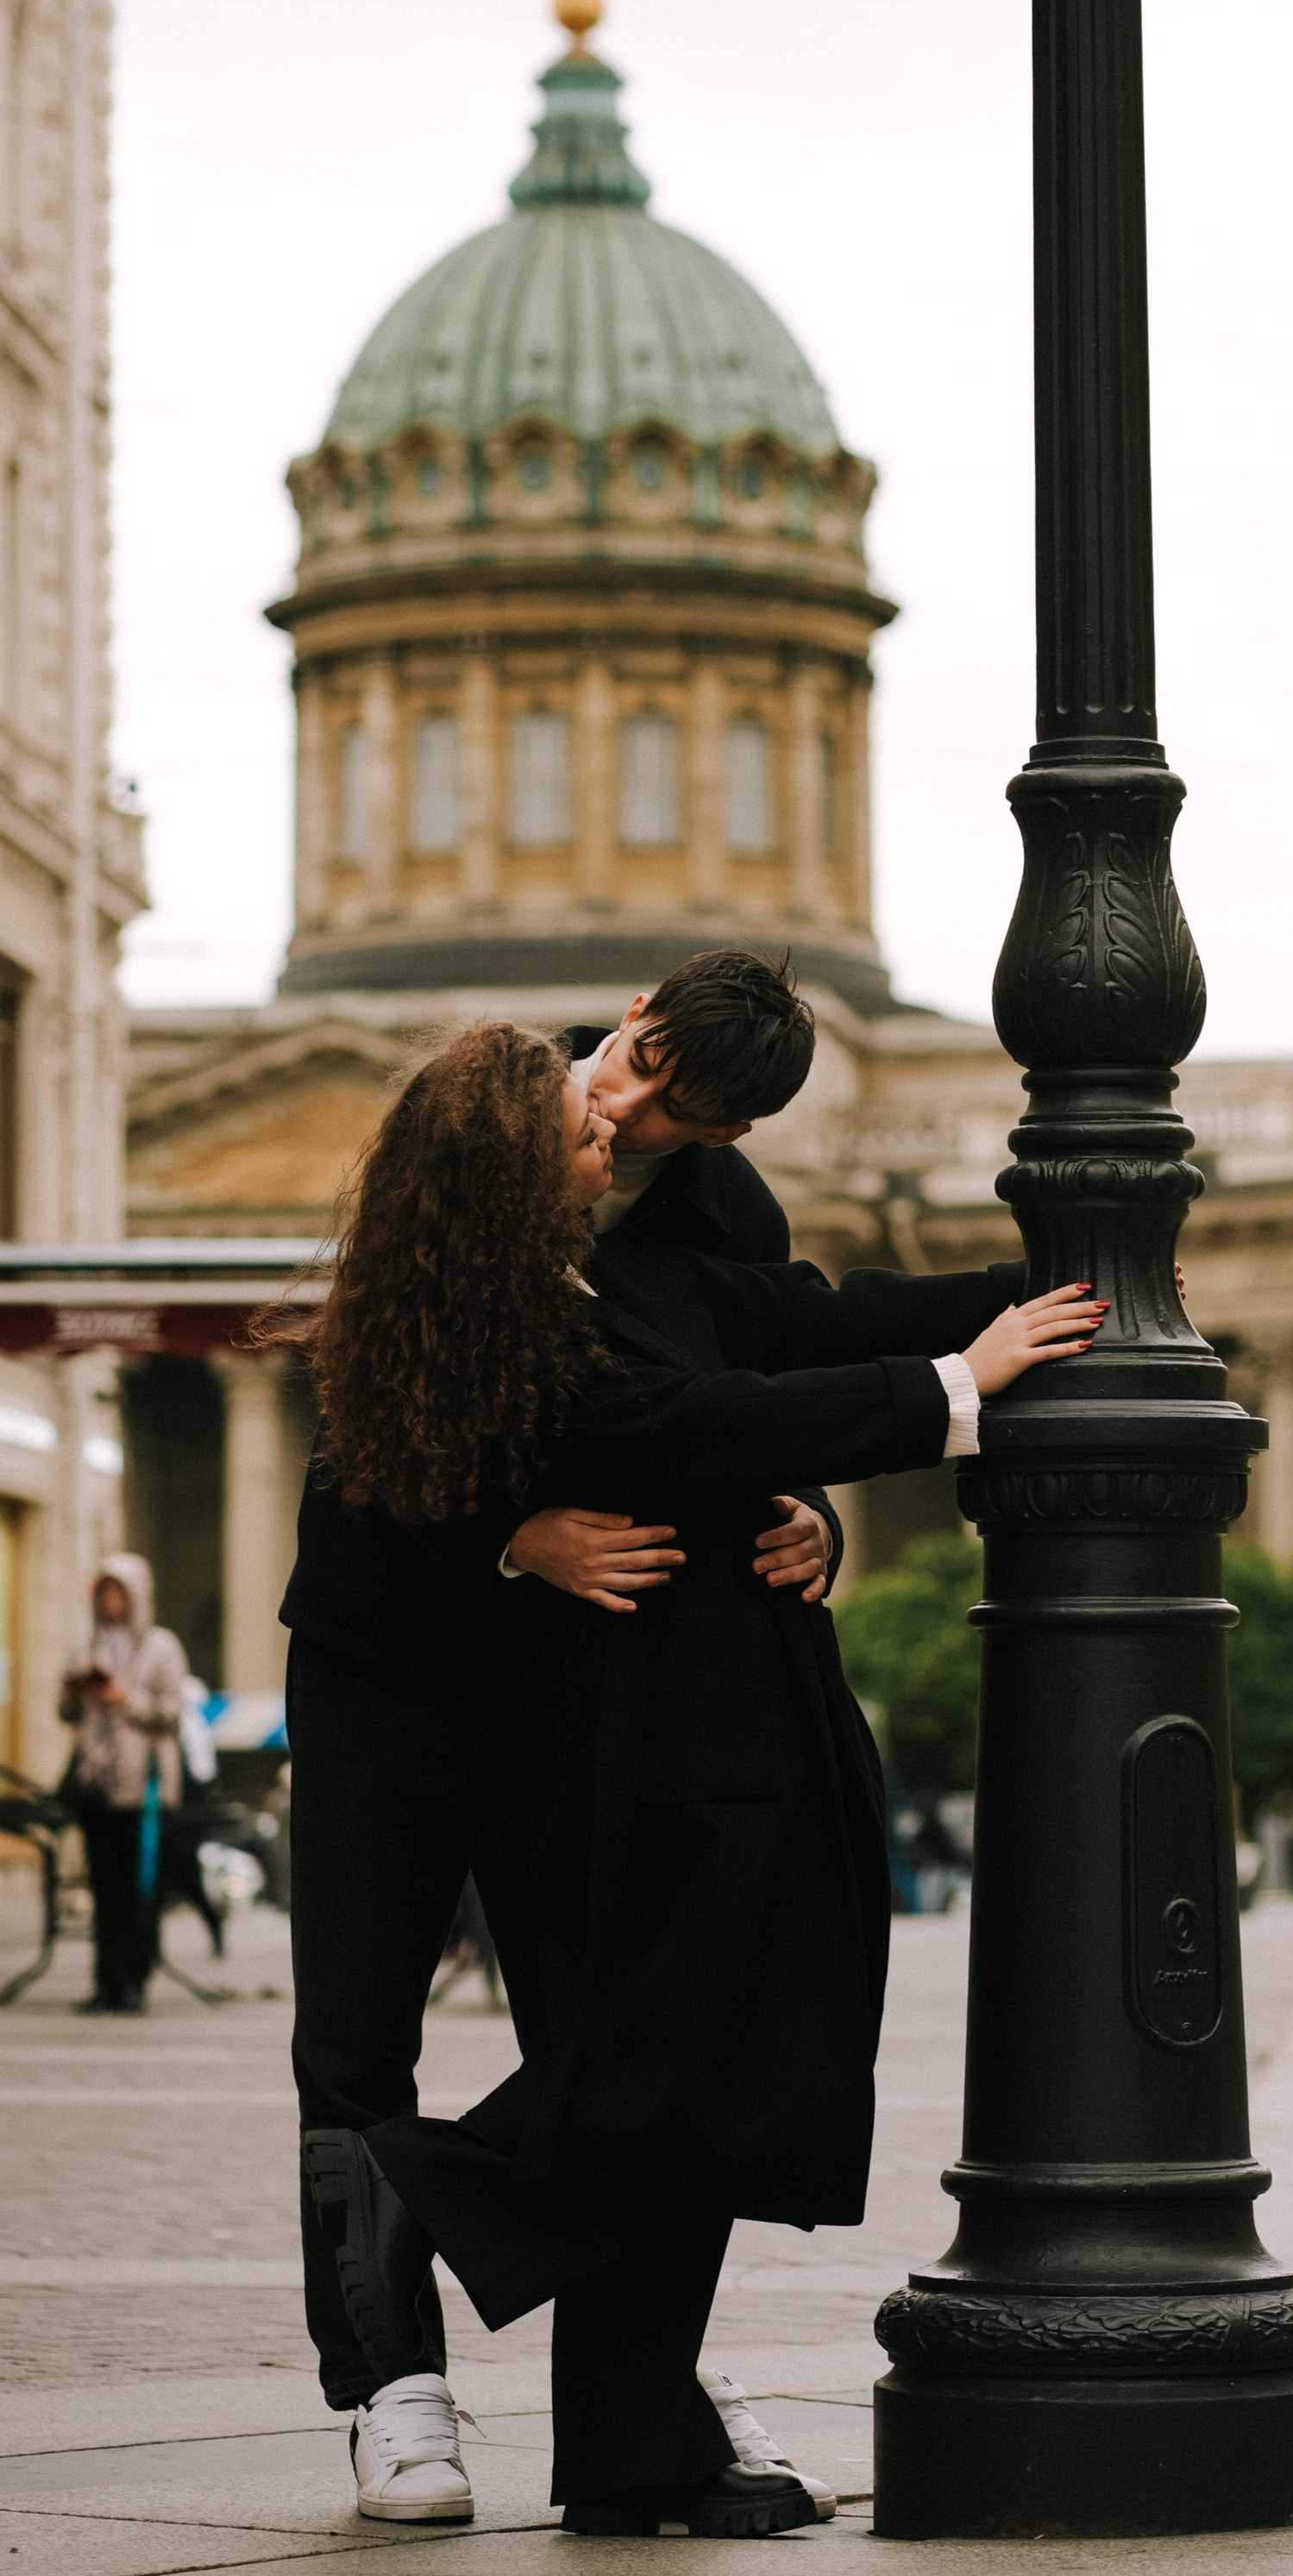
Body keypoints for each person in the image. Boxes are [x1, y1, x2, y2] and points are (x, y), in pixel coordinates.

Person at [292, 1020, 1093, 2537]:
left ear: (729, 1132)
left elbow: (769, 1351)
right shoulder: (475, 1181)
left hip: (577, 1698)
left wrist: (808, 1509)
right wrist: (505, 1536)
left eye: (679, 1107)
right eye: (621, 1076)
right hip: (400, 1666)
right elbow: (387, 1469)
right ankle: (393, 2374)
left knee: (640, 2052)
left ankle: (629, 2429)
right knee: (361, 2046)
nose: (628, 1109)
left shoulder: (676, 1217)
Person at [58, 1557, 186, 2015]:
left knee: (139, 1888)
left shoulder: (160, 1646)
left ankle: (134, 1980)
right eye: (104, 1593)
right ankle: (105, 1981)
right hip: (96, 1782)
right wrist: (76, 1692)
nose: (110, 1602)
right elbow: (65, 1711)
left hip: (143, 1786)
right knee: (104, 1886)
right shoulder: (86, 1644)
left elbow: (173, 1711)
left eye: (119, 1593)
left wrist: (123, 1698)